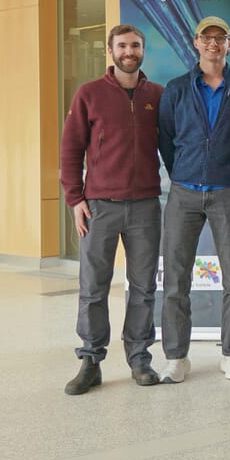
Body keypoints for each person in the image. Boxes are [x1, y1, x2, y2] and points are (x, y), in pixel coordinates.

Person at [59, 24, 165, 394]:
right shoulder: (88, 94)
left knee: (143, 287)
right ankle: (91, 360)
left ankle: (139, 358)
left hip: (146, 207)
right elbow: (70, 151)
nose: (129, 51)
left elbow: (171, 147)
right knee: (93, 287)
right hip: (100, 207)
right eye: (122, 46)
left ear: (142, 50)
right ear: (111, 51)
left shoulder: (156, 95)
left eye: (135, 45)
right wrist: (75, 200)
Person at [157, 16, 230, 383]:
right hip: (183, 192)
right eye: (206, 38)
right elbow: (166, 138)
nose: (213, 44)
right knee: (176, 279)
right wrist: (184, 169)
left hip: (227, 192)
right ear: (196, 43)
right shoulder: (177, 88)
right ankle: (176, 358)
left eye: (220, 38)